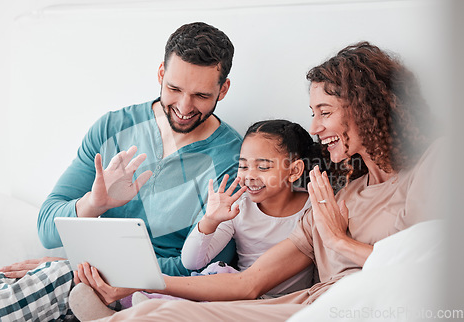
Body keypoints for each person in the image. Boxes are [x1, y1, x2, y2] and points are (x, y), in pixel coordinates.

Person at [70, 41, 441, 321]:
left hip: (346, 308)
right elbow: (249, 283)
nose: (315, 128)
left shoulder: (429, 168)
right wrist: (142, 283)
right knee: (152, 314)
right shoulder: (340, 193)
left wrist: (339, 241)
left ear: (366, 108)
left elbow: (433, 266)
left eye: (325, 112)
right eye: (313, 114)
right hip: (305, 303)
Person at [0, 21, 242, 322]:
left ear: (223, 89)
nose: (184, 107)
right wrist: (95, 204)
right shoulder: (113, 128)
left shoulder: (231, 158)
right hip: (76, 274)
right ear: (161, 73)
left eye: (201, 95)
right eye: (174, 89)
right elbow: (46, 227)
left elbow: (204, 267)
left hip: (131, 293)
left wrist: (87, 269)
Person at [102, 119, 324, 312]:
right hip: (236, 291)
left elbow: (251, 284)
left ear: (294, 171)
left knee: (213, 289)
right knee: (213, 274)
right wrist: (210, 221)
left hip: (281, 302)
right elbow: (191, 262)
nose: (250, 176)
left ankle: (150, 306)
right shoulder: (240, 206)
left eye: (263, 168)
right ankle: (137, 305)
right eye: (243, 166)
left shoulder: (313, 210)